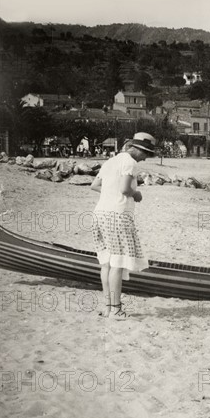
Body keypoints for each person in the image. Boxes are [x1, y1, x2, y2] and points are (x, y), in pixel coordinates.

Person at [90, 132, 156, 318]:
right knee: (117, 263)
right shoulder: (129, 162)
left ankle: (108, 307)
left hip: (100, 213)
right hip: (117, 216)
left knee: (106, 263)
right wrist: (137, 194)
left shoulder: (111, 161)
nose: (145, 158)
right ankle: (116, 309)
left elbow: (95, 185)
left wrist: (110, 194)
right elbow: (125, 189)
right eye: (145, 153)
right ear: (136, 149)